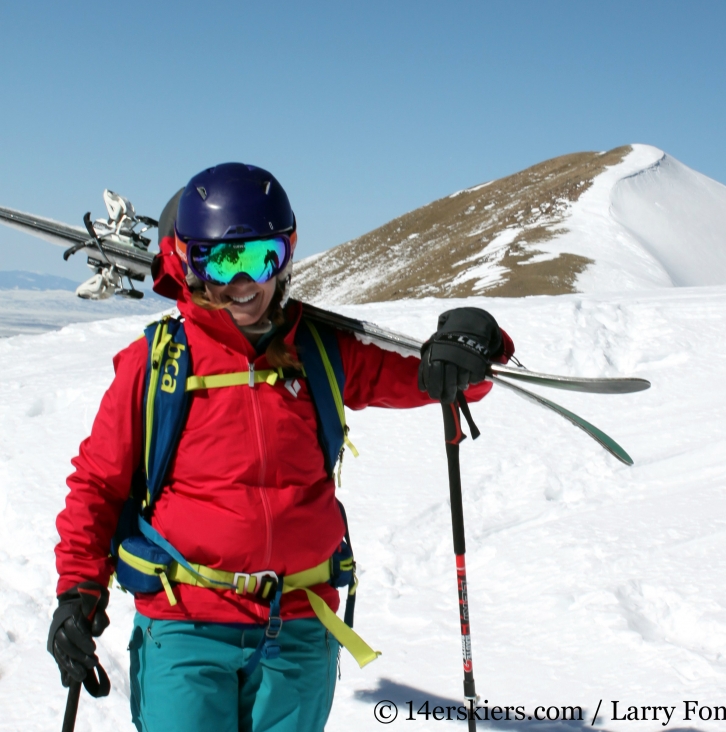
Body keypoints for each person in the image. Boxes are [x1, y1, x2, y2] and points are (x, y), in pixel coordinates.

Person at [47, 162, 514, 732]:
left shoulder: (322, 351)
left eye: (260, 257)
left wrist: (472, 347)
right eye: (222, 260)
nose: (243, 283)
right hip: (186, 624)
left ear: (285, 255)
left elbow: (434, 379)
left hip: (296, 628)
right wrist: (77, 591)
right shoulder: (159, 363)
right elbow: (98, 483)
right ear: (190, 263)